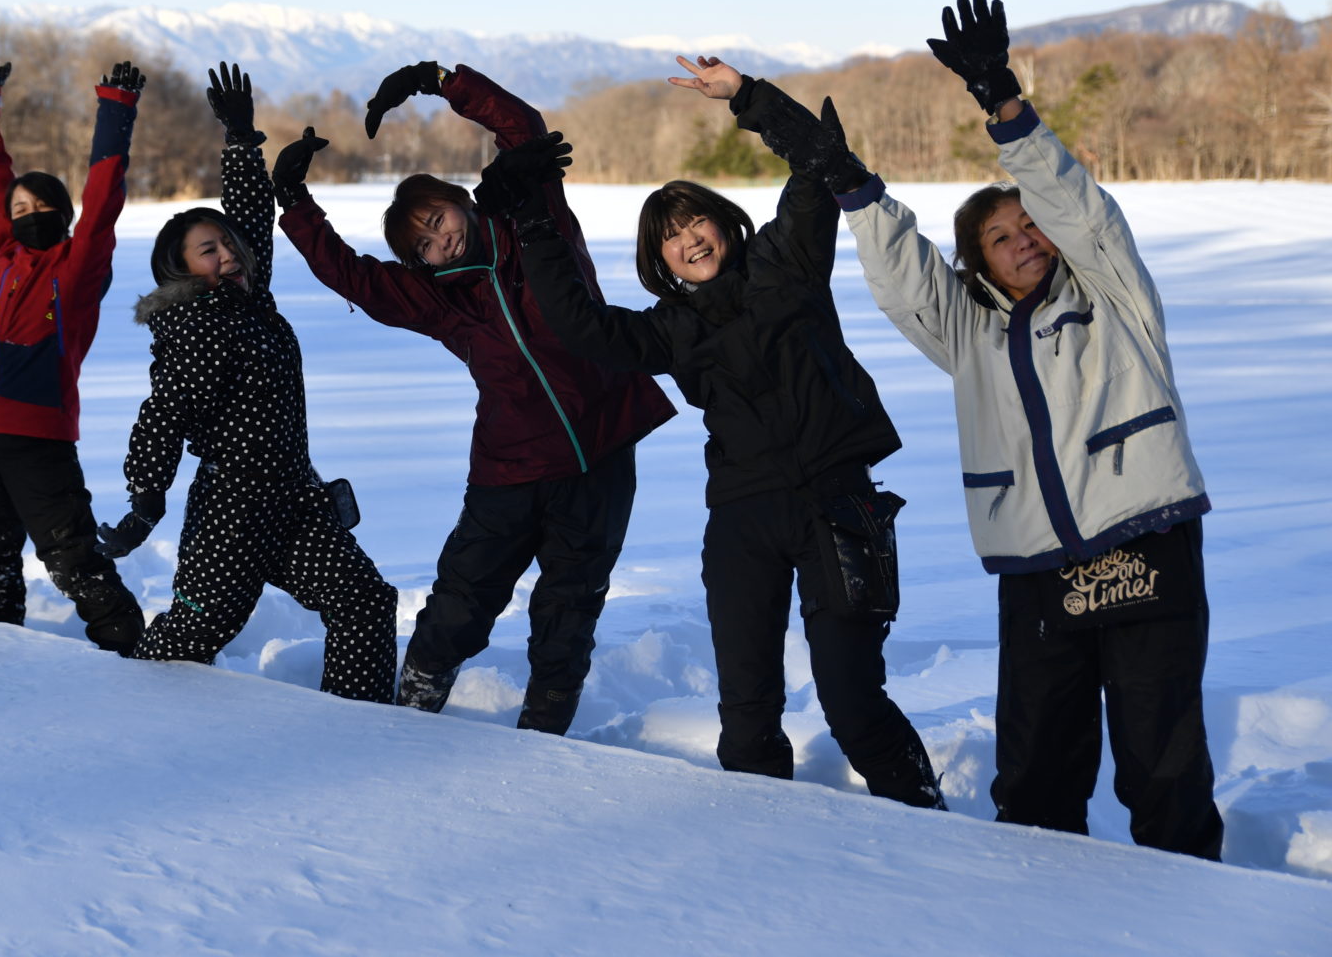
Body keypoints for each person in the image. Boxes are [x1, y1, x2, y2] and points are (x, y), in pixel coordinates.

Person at [759, 0, 1222, 858]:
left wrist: (1004, 105)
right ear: (978, 263)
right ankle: (1033, 906)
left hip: (1145, 541)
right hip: (1037, 563)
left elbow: (1083, 211)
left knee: (1160, 758)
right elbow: (907, 279)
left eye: (1030, 224)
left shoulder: (1114, 296)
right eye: (1000, 236)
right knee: (1037, 764)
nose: (1025, 239)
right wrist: (851, 184)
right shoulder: (970, 333)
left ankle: (1188, 895)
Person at [487, 65, 944, 807]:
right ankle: (760, 842)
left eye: (693, 221)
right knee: (747, 714)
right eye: (669, 237)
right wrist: (534, 225)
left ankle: (927, 819)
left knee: (853, 701)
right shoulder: (671, 329)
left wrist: (747, 96)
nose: (688, 239)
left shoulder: (789, 259)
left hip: (838, 505)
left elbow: (817, 162)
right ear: (659, 261)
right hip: (741, 517)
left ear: (722, 221)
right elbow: (580, 325)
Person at [270, 61, 677, 735]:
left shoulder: (533, 221)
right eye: (424, 245)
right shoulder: (437, 298)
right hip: (510, 467)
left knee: (570, 608)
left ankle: (544, 732)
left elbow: (523, 128)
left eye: (438, 219)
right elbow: (353, 277)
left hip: (601, 450)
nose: (442, 240)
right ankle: (414, 709)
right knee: (461, 601)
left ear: (459, 200)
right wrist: (294, 202)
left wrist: (438, 80)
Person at [106, 63, 397, 703]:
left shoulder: (249, 300)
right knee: (194, 632)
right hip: (233, 513)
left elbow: (249, 219)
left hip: (293, 500)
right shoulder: (197, 325)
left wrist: (241, 139)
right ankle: (120, 706)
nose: (228, 255)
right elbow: (164, 412)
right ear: (183, 272)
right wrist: (145, 502)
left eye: (226, 245)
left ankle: (364, 724)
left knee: (365, 601)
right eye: (208, 251)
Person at [0, 60, 147, 654]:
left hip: (38, 441)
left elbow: (103, 199)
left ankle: (132, 656)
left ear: (61, 215)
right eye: (18, 210)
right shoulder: (2, 257)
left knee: (72, 559)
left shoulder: (75, 270)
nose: (25, 214)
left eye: (40, 206)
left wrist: (116, 109)